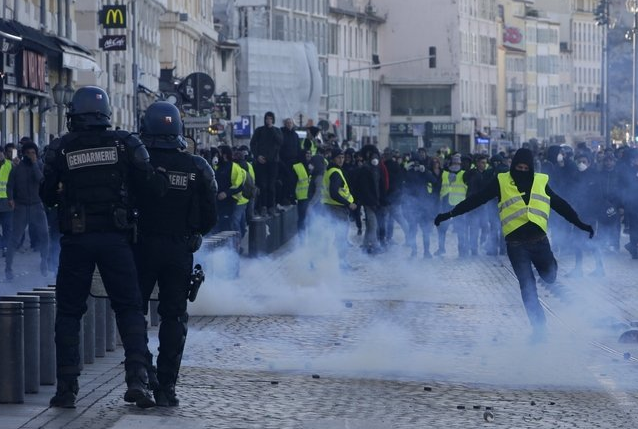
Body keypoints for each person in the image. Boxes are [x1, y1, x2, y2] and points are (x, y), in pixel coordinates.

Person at [40, 85, 168, 408]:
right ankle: (137, 378)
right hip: (116, 239)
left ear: (74, 115)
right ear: (106, 114)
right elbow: (152, 187)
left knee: (69, 312)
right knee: (129, 308)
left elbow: (46, 197)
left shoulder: (62, 149)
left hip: (77, 241)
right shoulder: (124, 144)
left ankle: (67, 388)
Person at [434, 148, 594, 342]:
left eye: (526, 168)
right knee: (527, 288)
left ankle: (550, 273)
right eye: (519, 167)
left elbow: (560, 205)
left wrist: (580, 224)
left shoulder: (541, 181)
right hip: (516, 246)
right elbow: (476, 199)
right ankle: (539, 329)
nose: (522, 170)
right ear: (513, 166)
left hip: (540, 242)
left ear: (532, 168)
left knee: (550, 277)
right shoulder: (501, 181)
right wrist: (450, 214)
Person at [136, 101, 217, 406]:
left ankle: (144, 374)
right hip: (179, 249)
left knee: (134, 313)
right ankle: (167, 386)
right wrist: (193, 232)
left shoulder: (139, 165)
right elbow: (211, 214)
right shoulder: (197, 167)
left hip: (141, 247)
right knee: (174, 317)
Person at [5, 141, 49, 279]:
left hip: (37, 206)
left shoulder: (40, 166)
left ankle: (44, 263)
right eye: (28, 153)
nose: (31, 155)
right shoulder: (17, 168)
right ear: (23, 154)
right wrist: (10, 199)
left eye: (33, 153)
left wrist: (35, 163)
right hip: (21, 207)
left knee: (45, 236)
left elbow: (40, 179)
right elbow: (10, 185)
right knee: (14, 239)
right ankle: (8, 269)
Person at [321, 148, 357, 269]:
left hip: (330, 207)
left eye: (342, 157)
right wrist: (348, 203)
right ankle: (342, 264)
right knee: (341, 238)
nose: (341, 160)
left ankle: (331, 261)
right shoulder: (335, 172)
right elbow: (334, 193)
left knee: (333, 236)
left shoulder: (330, 170)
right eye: (339, 158)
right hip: (337, 209)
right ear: (333, 158)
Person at [250, 111, 282, 216]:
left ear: (273, 120)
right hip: (261, 162)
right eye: (267, 118)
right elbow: (253, 144)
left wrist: (272, 128)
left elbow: (280, 141)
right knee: (263, 185)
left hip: (273, 162)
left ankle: (271, 206)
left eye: (270, 119)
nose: (268, 120)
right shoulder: (259, 131)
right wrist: (257, 156)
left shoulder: (277, 130)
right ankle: (263, 206)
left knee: (271, 186)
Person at [0, 146, 13, 256]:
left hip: (7, 201)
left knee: (7, 227)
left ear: (3, 153)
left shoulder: (10, 165)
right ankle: (2, 244)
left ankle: (5, 247)